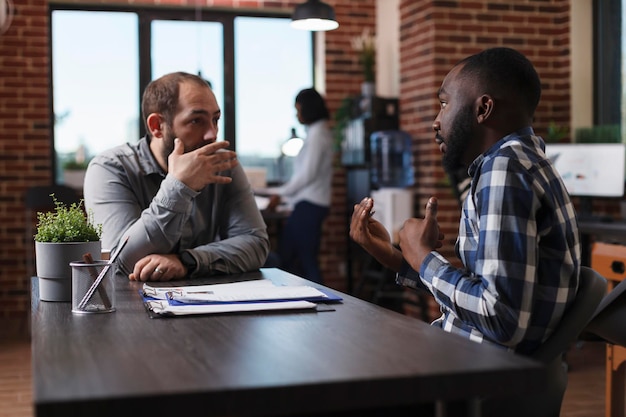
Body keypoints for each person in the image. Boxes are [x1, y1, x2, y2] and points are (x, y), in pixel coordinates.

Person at [350, 47, 581, 356]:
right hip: (475, 364)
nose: (436, 121)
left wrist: (422, 257)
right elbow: (486, 292)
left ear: (483, 108)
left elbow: (503, 320)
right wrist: (398, 257)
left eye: (444, 104)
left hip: (480, 378)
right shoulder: (523, 161)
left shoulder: (505, 170)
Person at [84, 71, 270, 282]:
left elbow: (256, 244)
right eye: (196, 121)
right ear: (157, 126)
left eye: (215, 119)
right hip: (131, 307)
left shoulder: (222, 165)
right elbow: (119, 263)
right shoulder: (110, 168)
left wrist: (187, 261)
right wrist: (179, 186)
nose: (213, 133)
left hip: (208, 303)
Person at [261, 88, 333, 283]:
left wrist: (277, 193)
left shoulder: (318, 135)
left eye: (298, 109)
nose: (296, 115)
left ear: (307, 109)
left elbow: (306, 176)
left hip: (310, 206)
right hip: (310, 205)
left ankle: (321, 302)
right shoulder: (316, 133)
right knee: (297, 261)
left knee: (301, 260)